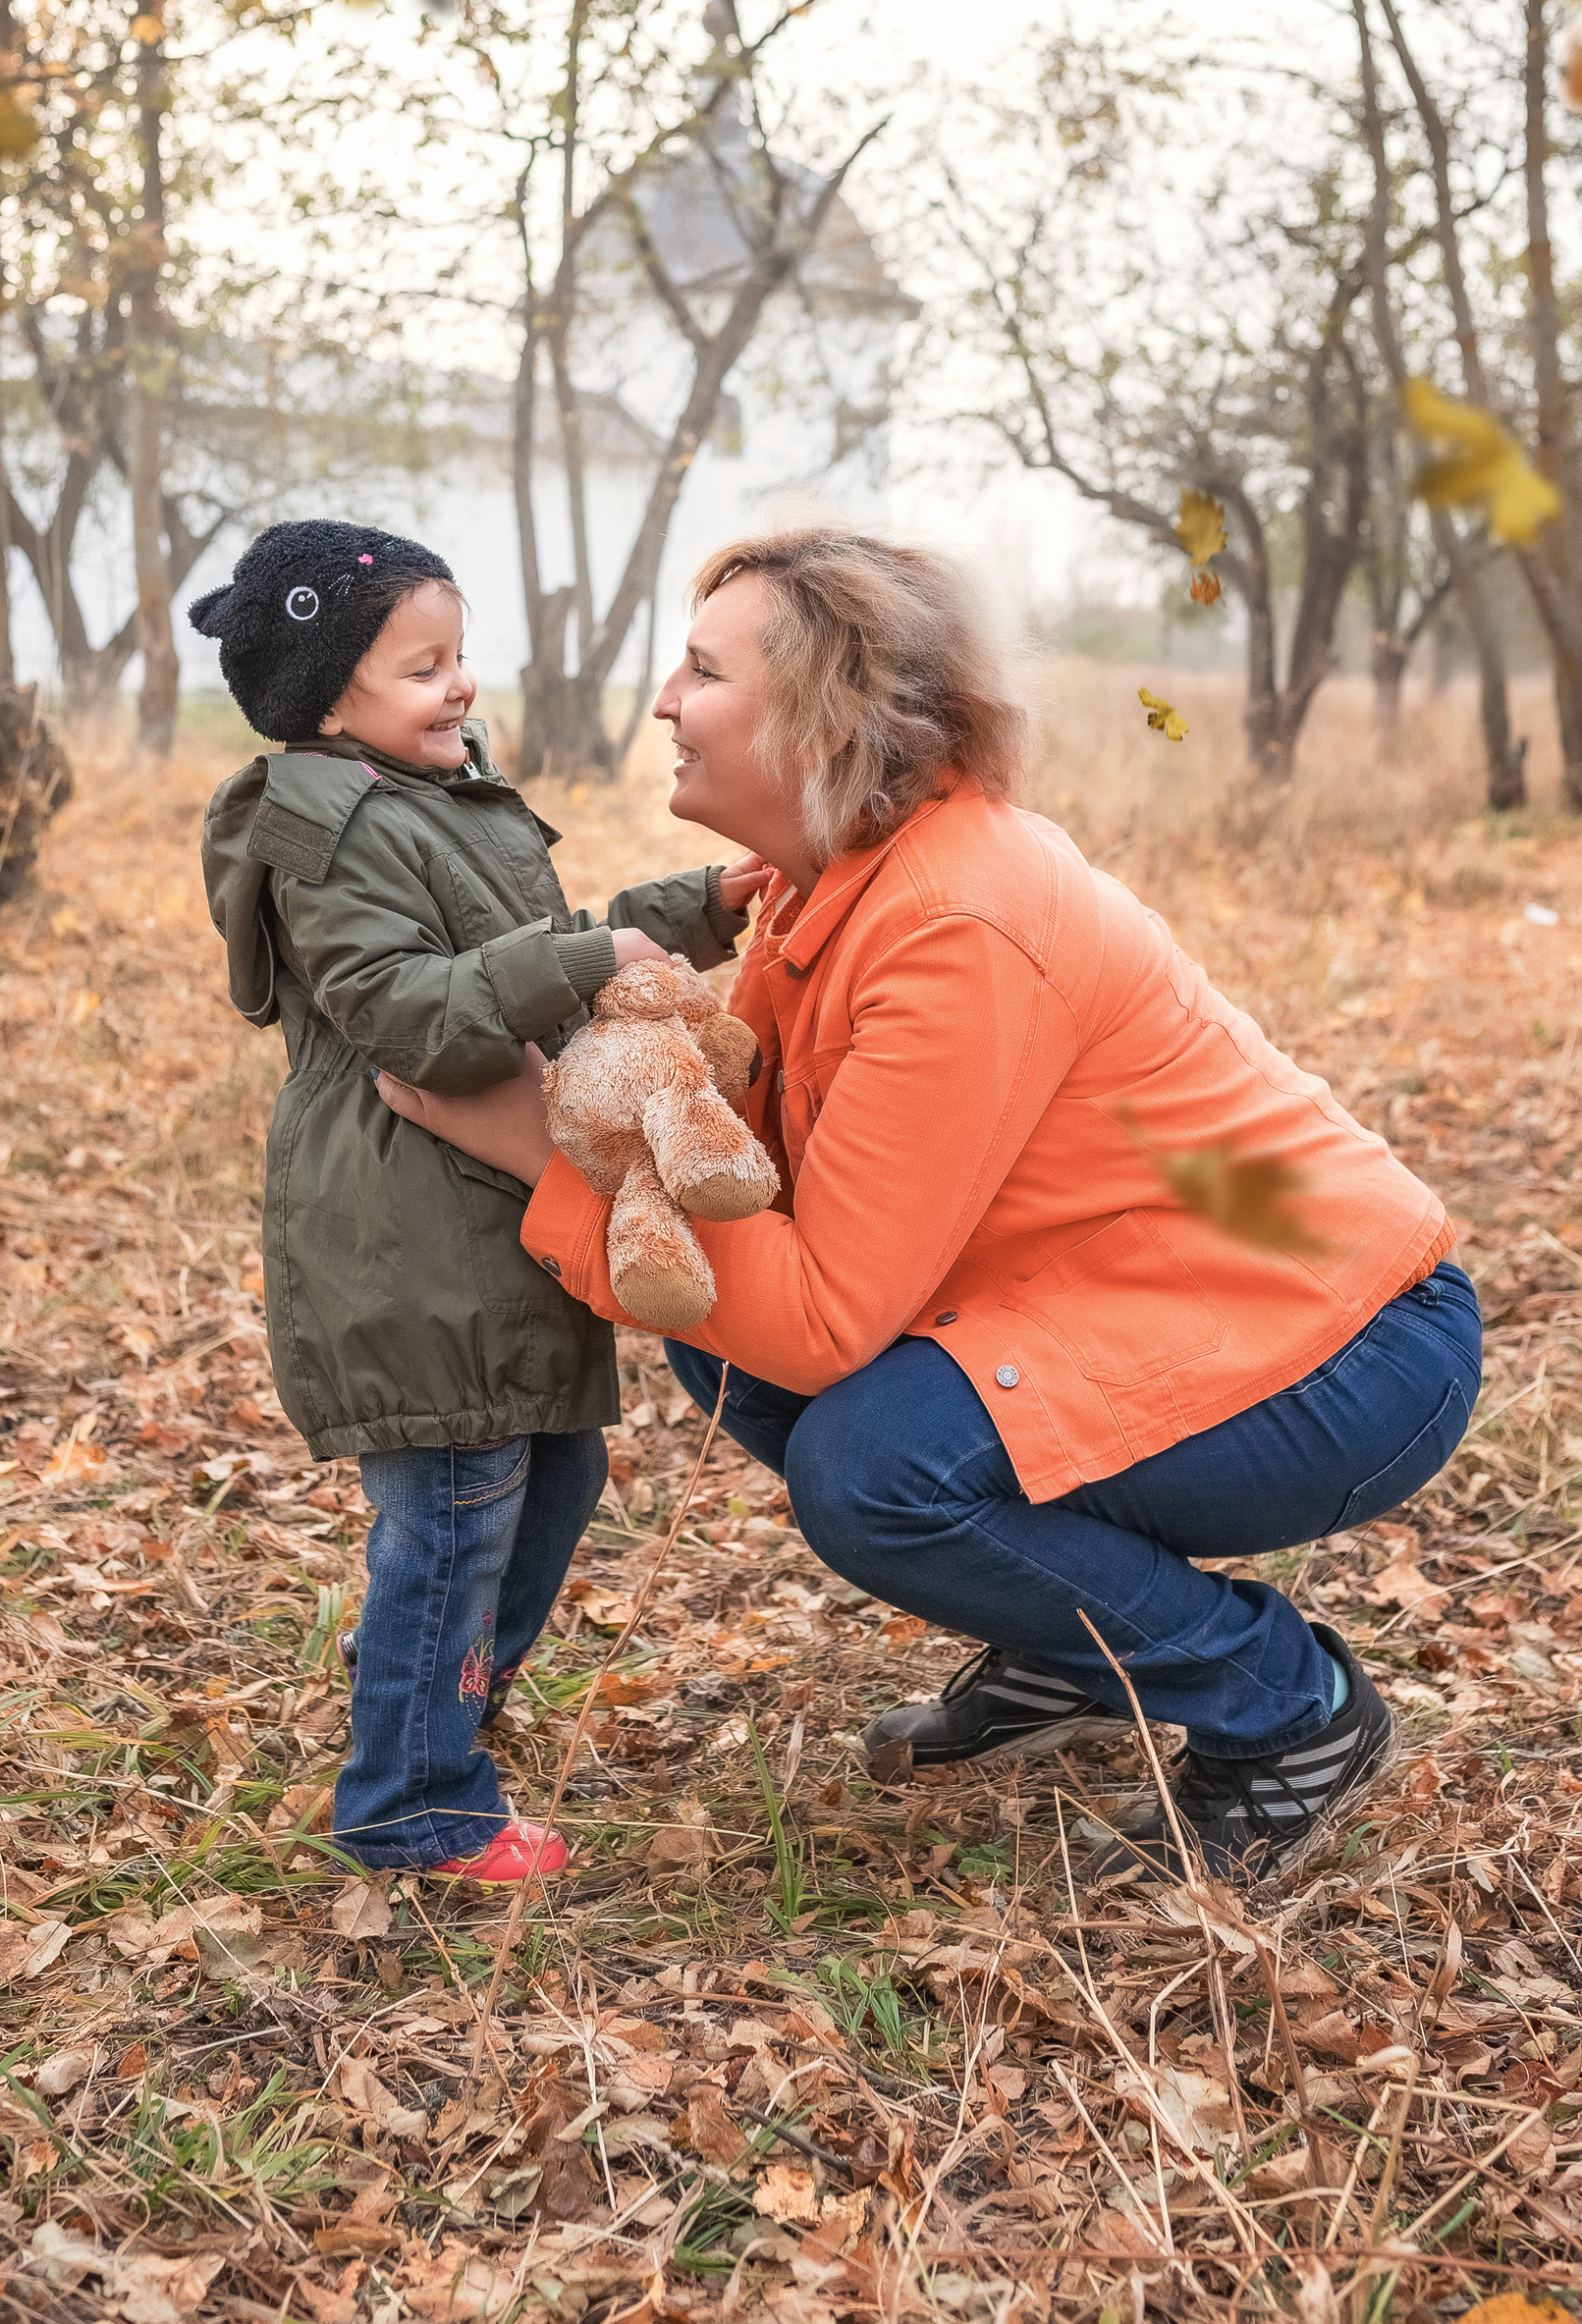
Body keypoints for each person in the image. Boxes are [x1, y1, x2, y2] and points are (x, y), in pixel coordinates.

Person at [373, 526, 1483, 1886]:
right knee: (736, 1356)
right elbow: (768, 1195)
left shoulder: (958, 917)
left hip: (1346, 1343)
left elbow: (828, 1316)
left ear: (829, 718)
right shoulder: (831, 886)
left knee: (877, 1469)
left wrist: (541, 1148)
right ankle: (1078, 1646)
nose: (664, 701)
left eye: (704, 671)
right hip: (1147, 1295)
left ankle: (1287, 1708)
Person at [196, 519, 749, 1881]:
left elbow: (527, 953)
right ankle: (414, 1801)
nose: (461, 686)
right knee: (456, 1506)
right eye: (422, 668)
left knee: (557, 1472)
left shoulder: (427, 796)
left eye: (458, 656)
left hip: (479, 1212)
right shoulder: (331, 831)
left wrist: (694, 907)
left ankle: (428, 1687)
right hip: (405, 1223)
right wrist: (585, 961)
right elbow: (408, 1014)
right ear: (330, 700)